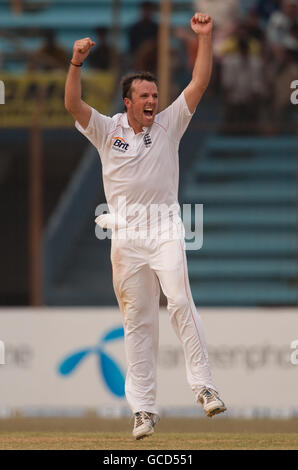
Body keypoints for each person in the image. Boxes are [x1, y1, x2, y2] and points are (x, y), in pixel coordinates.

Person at [65, 12, 226, 440]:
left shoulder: (170, 123)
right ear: (129, 102)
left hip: (165, 227)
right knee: (137, 321)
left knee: (178, 299)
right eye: (146, 95)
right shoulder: (107, 130)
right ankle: (143, 411)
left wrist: (204, 38)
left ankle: (204, 386)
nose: (153, 100)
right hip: (125, 234)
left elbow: (199, 84)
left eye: (156, 94)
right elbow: (73, 106)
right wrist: (76, 63)